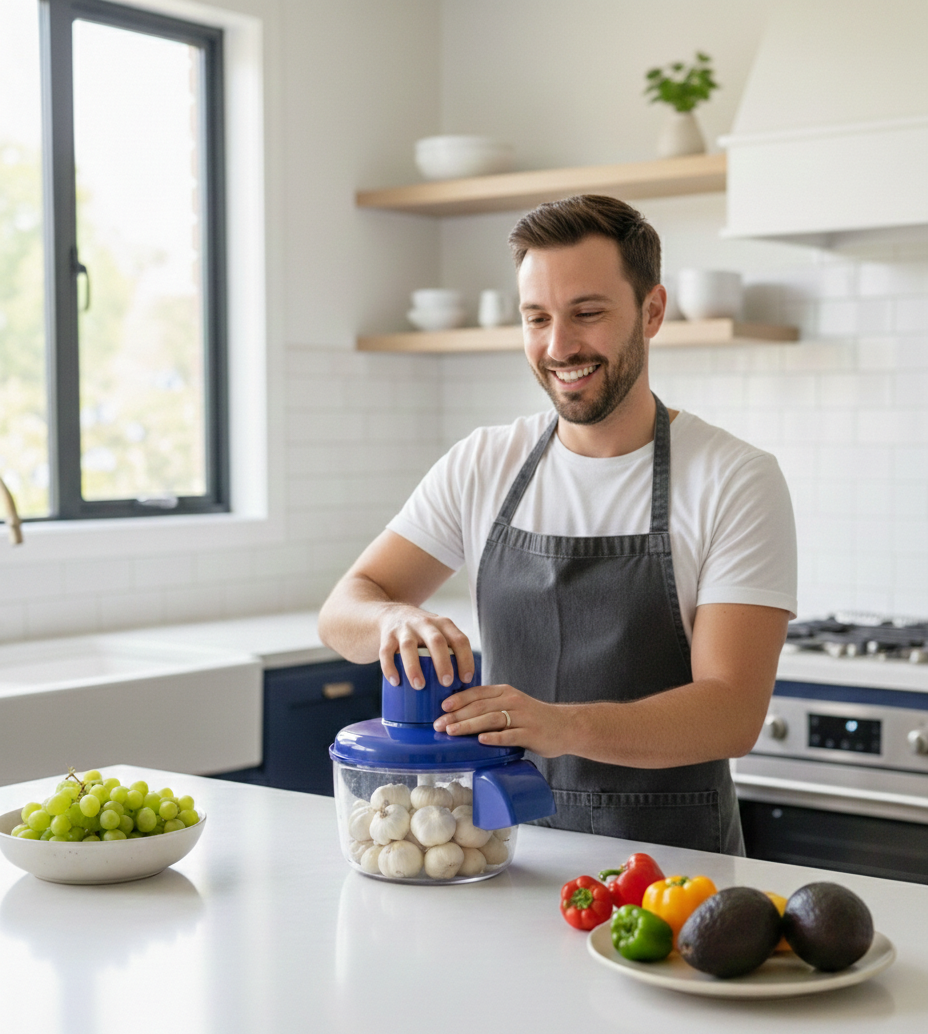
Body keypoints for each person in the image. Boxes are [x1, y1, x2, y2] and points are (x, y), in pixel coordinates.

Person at [318, 194, 797, 854]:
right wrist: (392, 620)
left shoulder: (734, 478)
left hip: (675, 879)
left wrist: (562, 725)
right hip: (501, 855)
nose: (559, 345)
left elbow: (732, 712)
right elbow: (344, 609)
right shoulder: (484, 463)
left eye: (587, 314)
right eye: (536, 318)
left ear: (651, 311)